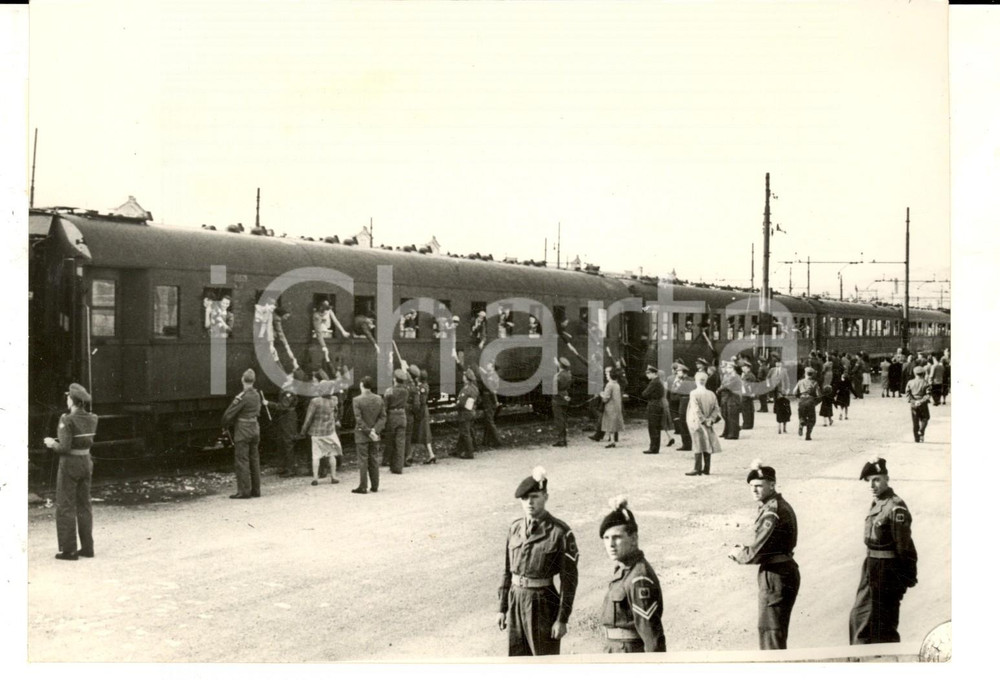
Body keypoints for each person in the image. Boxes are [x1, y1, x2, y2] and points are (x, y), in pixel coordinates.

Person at [497, 467, 580, 656]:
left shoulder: (559, 532)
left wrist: (562, 619)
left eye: (535, 497)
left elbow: (569, 580)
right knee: (517, 659)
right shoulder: (515, 528)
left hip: (542, 603)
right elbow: (507, 571)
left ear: (546, 497)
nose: (529, 502)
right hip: (516, 599)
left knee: (543, 661)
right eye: (525, 498)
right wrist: (502, 608)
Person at [728, 460, 800, 650]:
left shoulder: (772, 511)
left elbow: (759, 550)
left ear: (772, 485)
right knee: (773, 632)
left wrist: (739, 554)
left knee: (770, 634)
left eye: (759, 486)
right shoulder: (774, 505)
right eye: (751, 486)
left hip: (776, 575)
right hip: (780, 571)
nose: (754, 490)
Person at [849, 457, 918, 645]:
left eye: (877, 480)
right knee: (860, 617)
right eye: (869, 481)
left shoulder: (895, 507)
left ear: (887, 479)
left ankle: (885, 659)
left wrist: (906, 576)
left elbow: (904, 545)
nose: (872, 485)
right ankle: (861, 658)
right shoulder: (879, 502)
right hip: (871, 567)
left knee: (884, 624)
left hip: (887, 571)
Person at [599, 496, 666, 653]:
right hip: (616, 650)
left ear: (634, 539)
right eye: (606, 538)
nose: (610, 544)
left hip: (629, 653)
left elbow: (652, 636)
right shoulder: (624, 570)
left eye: (617, 537)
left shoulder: (639, 579)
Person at [43, 382, 99, 560]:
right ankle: (88, 548)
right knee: (84, 505)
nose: (67, 400)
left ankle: (69, 550)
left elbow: (64, 448)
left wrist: (52, 443)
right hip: (86, 462)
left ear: (73, 401)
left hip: (70, 464)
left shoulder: (66, 419)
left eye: (68, 397)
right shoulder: (93, 418)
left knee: (65, 505)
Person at [222, 369, 264, 499]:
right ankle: (256, 490)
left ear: (242, 380)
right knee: (254, 459)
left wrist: (225, 425)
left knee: (242, 460)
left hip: (243, 430)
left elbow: (228, 415)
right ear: (253, 380)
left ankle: (244, 492)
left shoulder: (242, 397)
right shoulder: (257, 395)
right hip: (255, 428)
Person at [300, 379, 342, 486]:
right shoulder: (334, 400)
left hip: (316, 433)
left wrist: (303, 431)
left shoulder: (315, 401)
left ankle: (315, 478)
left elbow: (308, 418)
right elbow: (335, 415)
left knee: (316, 456)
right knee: (331, 454)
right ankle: (333, 477)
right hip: (329, 432)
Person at [351, 376, 385, 494]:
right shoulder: (379, 399)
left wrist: (368, 431)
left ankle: (363, 486)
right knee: (374, 459)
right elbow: (383, 417)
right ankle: (375, 485)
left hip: (362, 435)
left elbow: (358, 419)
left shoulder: (357, 400)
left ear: (361, 385)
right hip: (375, 435)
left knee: (363, 460)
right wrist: (375, 430)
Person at [685, 371, 722, 476]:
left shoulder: (694, 393)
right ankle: (706, 468)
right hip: (708, 423)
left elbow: (696, 409)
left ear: (696, 381)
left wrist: (703, 420)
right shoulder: (711, 394)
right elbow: (716, 408)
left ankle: (697, 468)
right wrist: (710, 419)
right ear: (705, 381)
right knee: (707, 443)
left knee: (697, 444)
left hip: (696, 422)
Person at [271, 377, 300, 477]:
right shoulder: (287, 389)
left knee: (288, 442)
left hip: (288, 418)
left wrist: (268, 403)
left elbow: (283, 406)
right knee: (282, 441)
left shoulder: (289, 391)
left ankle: (290, 469)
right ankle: (283, 467)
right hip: (285, 418)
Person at [382, 369, 409, 473]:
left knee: (391, 441)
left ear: (394, 379)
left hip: (392, 417)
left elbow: (385, 406)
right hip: (402, 416)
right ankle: (399, 467)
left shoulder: (389, 391)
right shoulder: (406, 391)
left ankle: (392, 465)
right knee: (401, 443)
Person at [667, 360, 693, 451]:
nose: (677, 373)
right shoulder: (688, 380)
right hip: (684, 402)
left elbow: (675, 391)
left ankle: (687, 444)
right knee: (684, 423)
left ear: (683, 372)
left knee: (684, 423)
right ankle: (687, 443)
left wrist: (676, 383)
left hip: (685, 403)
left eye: (678, 371)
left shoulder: (685, 381)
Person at [455, 368, 479, 459]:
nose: (463, 377)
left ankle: (469, 453)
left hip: (464, 413)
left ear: (467, 378)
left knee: (465, 433)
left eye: (464, 376)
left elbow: (461, 403)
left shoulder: (466, 389)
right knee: (464, 431)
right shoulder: (474, 388)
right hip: (471, 412)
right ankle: (458, 450)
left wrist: (456, 404)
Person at [641, 366, 665, 454]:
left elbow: (644, 393)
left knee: (652, 427)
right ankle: (655, 447)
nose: (647, 375)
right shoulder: (658, 381)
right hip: (658, 404)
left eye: (648, 373)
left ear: (654, 373)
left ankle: (653, 448)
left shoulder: (654, 382)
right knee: (657, 427)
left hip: (653, 405)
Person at [793, 367, 821, 441]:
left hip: (802, 400)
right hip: (810, 401)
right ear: (812, 375)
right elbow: (819, 395)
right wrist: (816, 402)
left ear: (805, 374)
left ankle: (801, 423)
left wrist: (799, 398)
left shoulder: (800, 382)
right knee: (812, 419)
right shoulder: (815, 383)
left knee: (802, 416)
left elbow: (794, 392)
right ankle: (808, 435)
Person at [479, 362, 503, 448]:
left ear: (492, 367)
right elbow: (486, 374)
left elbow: (492, 390)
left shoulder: (492, 377)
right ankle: (485, 441)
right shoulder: (491, 375)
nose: (487, 366)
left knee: (489, 421)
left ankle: (498, 441)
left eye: (488, 365)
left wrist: (495, 401)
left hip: (489, 400)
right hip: (488, 400)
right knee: (487, 421)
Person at [417, 369, 438, 464]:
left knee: (425, 433)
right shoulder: (424, 385)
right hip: (423, 411)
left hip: (422, 411)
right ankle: (431, 454)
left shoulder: (422, 387)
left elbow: (421, 400)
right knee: (424, 433)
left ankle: (431, 454)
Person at [905, 365, 931, 443]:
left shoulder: (910, 382)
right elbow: (928, 395)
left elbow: (908, 394)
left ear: (914, 373)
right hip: (923, 404)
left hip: (913, 404)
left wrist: (913, 401)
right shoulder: (926, 383)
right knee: (925, 418)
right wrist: (921, 401)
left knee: (915, 421)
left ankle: (916, 439)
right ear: (923, 373)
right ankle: (921, 430)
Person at [551, 357, 572, 447]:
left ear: (560, 366)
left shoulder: (557, 376)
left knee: (559, 420)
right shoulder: (568, 374)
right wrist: (565, 396)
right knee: (563, 419)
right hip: (565, 398)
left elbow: (555, 390)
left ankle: (561, 440)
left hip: (557, 400)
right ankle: (564, 439)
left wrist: (562, 396)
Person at [719, 362, 742, 440]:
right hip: (729, 397)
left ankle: (733, 434)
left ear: (734, 369)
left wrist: (719, 389)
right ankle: (728, 432)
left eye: (730, 368)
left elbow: (727, 386)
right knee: (728, 415)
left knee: (732, 415)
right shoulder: (728, 376)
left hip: (734, 397)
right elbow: (723, 384)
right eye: (727, 367)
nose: (727, 369)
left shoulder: (735, 377)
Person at [739, 362, 757, 430]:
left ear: (748, 368)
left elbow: (746, 385)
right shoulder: (749, 375)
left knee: (746, 410)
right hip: (748, 394)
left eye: (744, 367)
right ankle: (749, 424)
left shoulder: (748, 375)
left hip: (746, 394)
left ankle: (746, 424)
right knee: (749, 409)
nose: (742, 368)